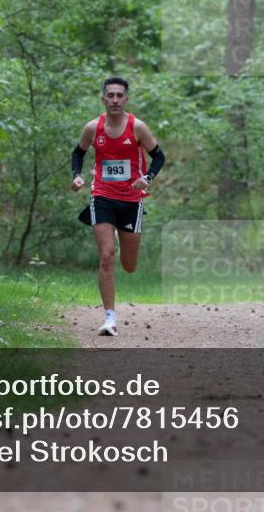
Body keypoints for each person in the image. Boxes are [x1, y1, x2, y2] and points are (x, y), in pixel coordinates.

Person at [70, 77, 166, 336]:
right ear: (103, 99)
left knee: (129, 264)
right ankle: (109, 318)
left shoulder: (137, 127)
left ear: (126, 99)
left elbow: (159, 156)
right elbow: (78, 152)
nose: (114, 100)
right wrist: (77, 175)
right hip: (101, 195)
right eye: (109, 95)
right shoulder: (93, 128)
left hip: (132, 200)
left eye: (119, 96)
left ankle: (122, 241)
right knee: (106, 255)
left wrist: (146, 179)